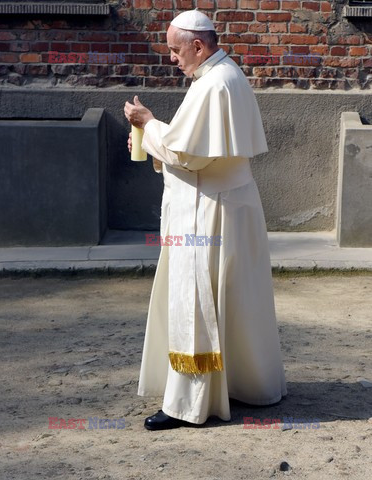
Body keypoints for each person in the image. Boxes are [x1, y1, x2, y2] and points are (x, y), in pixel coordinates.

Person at [124, 8, 287, 431]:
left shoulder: (214, 83)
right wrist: (159, 139)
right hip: (229, 203)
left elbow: (186, 154)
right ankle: (248, 384)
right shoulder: (224, 74)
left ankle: (189, 403)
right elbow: (193, 148)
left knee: (195, 305)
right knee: (235, 301)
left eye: (177, 50)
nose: (172, 58)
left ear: (198, 45)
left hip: (207, 212)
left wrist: (148, 124)